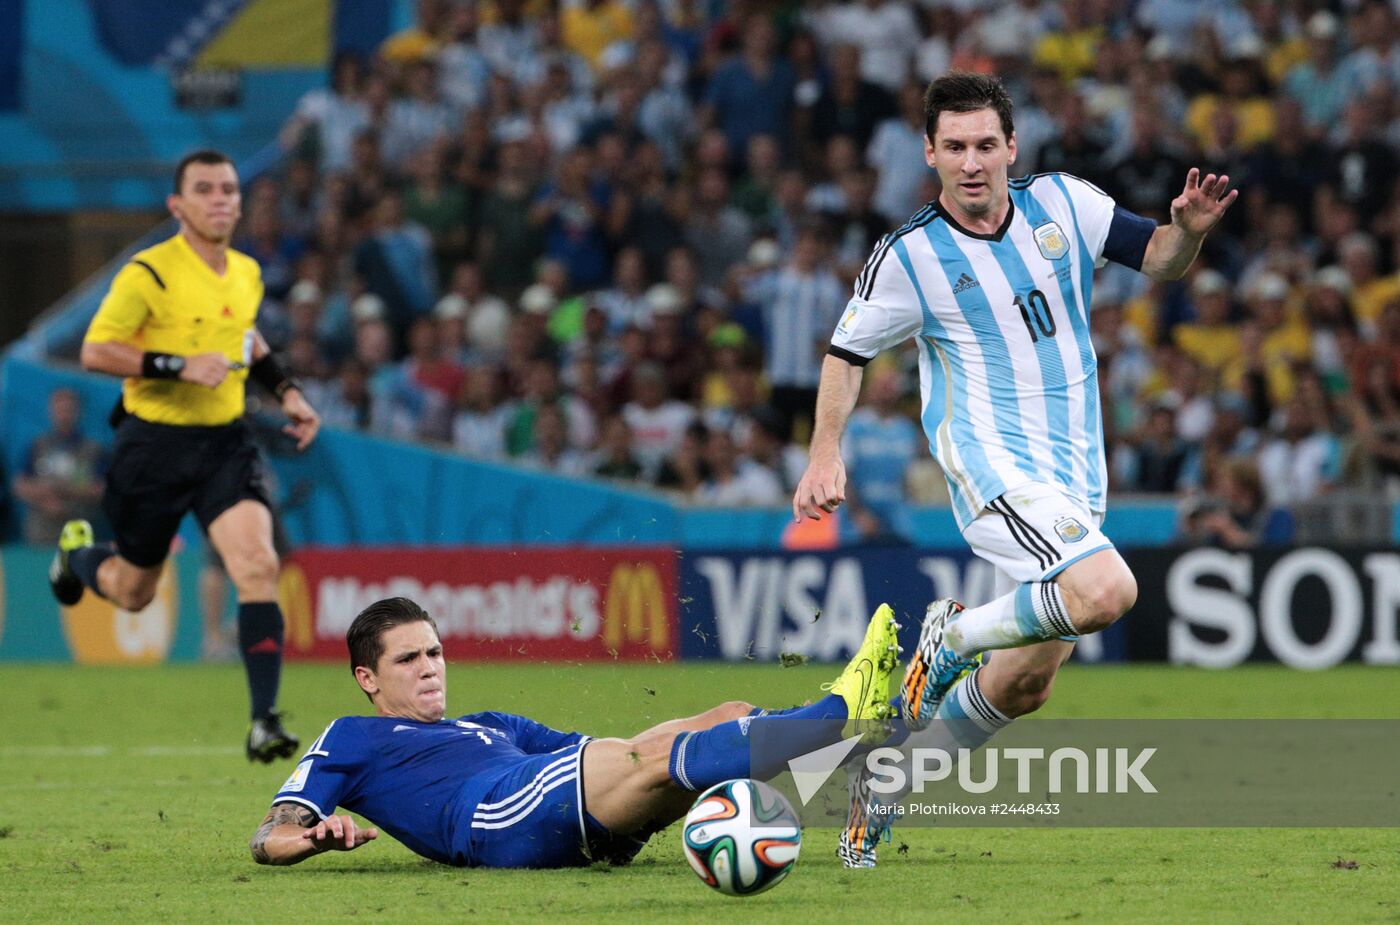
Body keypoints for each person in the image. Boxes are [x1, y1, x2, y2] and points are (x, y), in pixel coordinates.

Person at [790, 73, 1236, 868]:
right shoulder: (910, 257)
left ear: (1012, 147)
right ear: (929, 152)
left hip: (1076, 470)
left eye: (985, 145)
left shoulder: (1065, 202)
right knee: (1105, 591)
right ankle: (950, 633)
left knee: (1027, 681)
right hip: (994, 466)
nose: (971, 162)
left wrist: (1189, 233)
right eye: (954, 146)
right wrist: (825, 450)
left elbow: (1160, 258)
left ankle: (881, 780)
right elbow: (845, 353)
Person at [247, 596, 899, 868]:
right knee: (655, 757)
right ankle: (841, 715)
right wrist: (305, 838)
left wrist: (707, 727)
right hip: (494, 816)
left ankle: (841, 743)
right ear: (367, 675)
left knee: (720, 714)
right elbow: (267, 835)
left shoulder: (489, 725)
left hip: (564, 813)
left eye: (435, 653)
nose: (430, 669)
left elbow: (598, 753)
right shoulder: (353, 735)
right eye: (409, 659)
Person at [48, 150, 322, 763]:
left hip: (225, 442)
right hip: (154, 446)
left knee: (256, 564)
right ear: (178, 205)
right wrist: (176, 365)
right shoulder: (150, 273)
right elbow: (97, 350)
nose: (221, 198)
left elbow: (246, 338)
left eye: (228, 188)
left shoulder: (246, 272)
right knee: (133, 591)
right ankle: (77, 558)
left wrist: (287, 390)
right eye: (205, 189)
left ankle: (264, 721)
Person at [11, 388, 106, 546]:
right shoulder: (37, 445)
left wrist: (68, 490)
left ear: (78, 412)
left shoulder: (93, 449)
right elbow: (19, 485)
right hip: (40, 533)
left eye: (69, 410)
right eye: (60, 409)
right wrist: (45, 498)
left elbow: (102, 489)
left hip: (80, 530)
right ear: (51, 410)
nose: (64, 416)